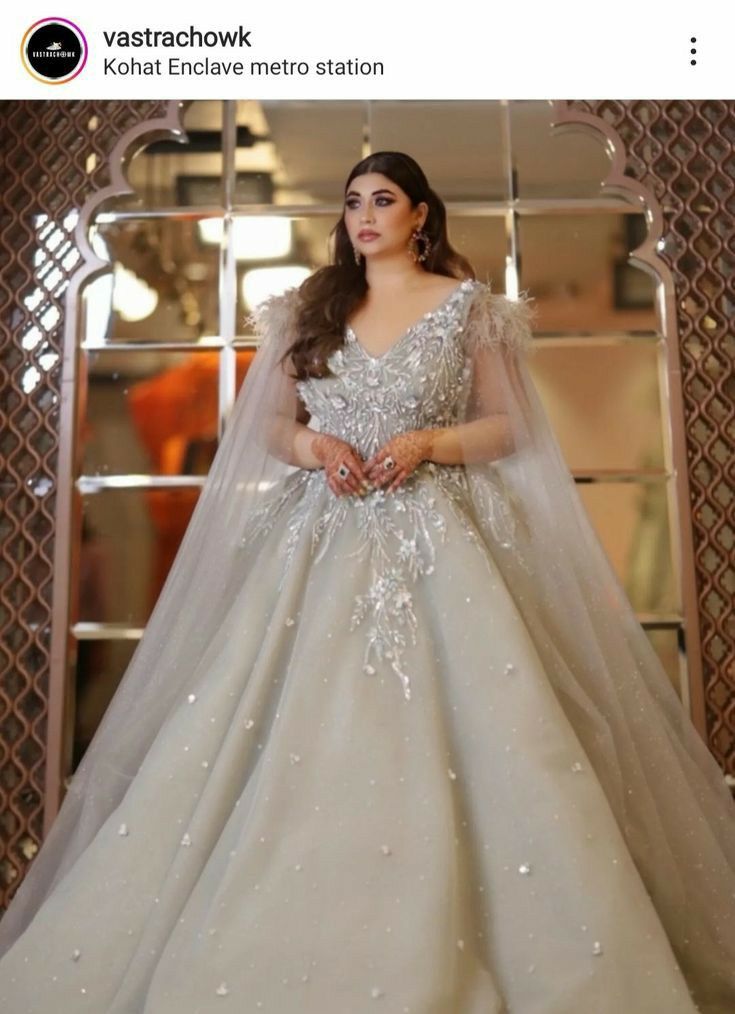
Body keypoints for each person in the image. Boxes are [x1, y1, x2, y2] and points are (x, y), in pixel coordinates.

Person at [0, 150, 734, 1013]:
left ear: (420, 214)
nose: (364, 215)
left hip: (441, 540)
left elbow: (505, 429)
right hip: (317, 542)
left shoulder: (470, 310)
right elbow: (271, 424)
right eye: (353, 202)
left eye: (383, 200)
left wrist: (429, 443)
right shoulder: (311, 307)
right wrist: (318, 448)